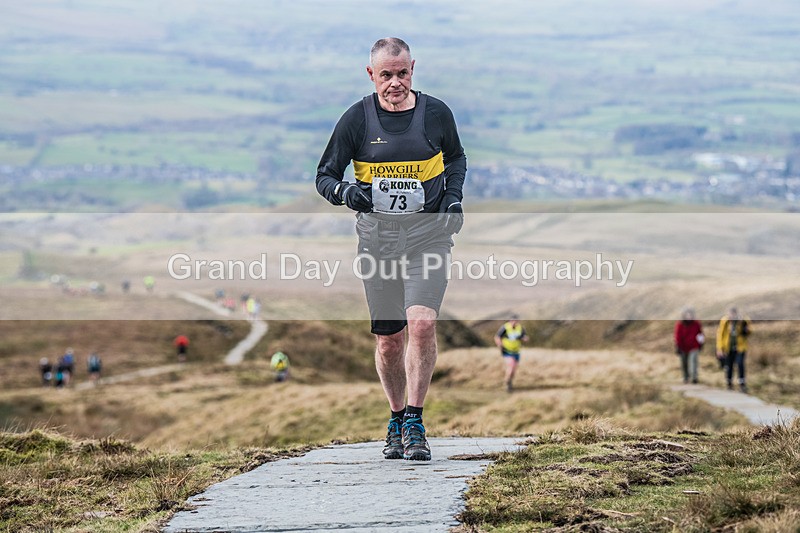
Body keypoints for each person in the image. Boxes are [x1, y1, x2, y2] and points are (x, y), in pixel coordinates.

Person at [315, 38, 467, 461]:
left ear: (413, 69)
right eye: (387, 75)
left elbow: (456, 159)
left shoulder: (436, 114)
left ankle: (416, 419)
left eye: (403, 73)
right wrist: (347, 192)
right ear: (371, 75)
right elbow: (324, 176)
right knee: (389, 341)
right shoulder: (356, 120)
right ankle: (396, 416)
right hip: (378, 242)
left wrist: (452, 199)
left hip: (429, 236)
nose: (395, 82)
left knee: (421, 324)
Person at [716, 306, 751, 393]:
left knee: (740, 364)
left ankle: (742, 384)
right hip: (728, 348)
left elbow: (748, 331)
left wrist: (743, 325)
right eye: (730, 313)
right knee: (729, 366)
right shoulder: (725, 321)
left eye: (733, 313)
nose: (732, 315)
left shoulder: (742, 321)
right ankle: (729, 384)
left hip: (740, 348)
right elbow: (720, 335)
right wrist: (720, 348)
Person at [494, 315, 529, 392]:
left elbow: (525, 337)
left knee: (513, 369)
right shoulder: (505, 328)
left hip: (516, 351)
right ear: (510, 321)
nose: (514, 323)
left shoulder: (520, 328)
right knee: (511, 365)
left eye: (516, 321)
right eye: (513, 321)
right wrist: (499, 345)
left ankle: (509, 381)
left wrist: (525, 339)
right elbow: (497, 337)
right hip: (507, 350)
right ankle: (507, 383)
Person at [674, 307, 704, 384]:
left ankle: (694, 377)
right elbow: (677, 336)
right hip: (683, 347)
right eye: (687, 315)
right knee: (684, 363)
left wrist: (701, 344)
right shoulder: (680, 324)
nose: (689, 316)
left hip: (694, 346)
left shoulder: (696, 324)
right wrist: (678, 346)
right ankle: (686, 377)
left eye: (690, 314)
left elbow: (700, 334)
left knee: (693, 361)